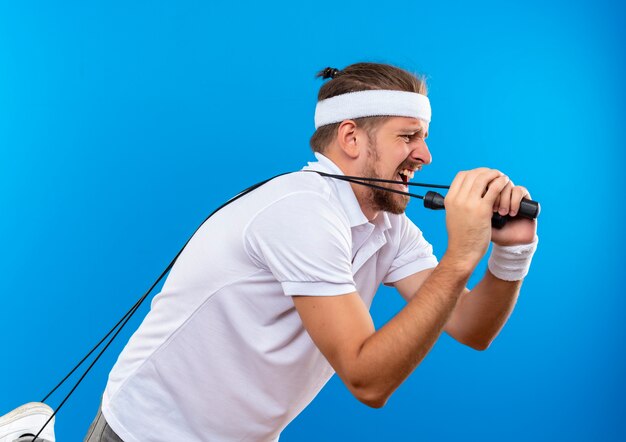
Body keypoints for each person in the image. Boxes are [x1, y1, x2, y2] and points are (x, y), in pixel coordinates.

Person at [83, 62, 539, 442]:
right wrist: (460, 256)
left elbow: (471, 326)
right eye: (408, 136)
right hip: (144, 434)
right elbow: (368, 379)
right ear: (352, 138)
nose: (426, 155)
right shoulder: (302, 213)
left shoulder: (388, 224)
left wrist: (512, 251)